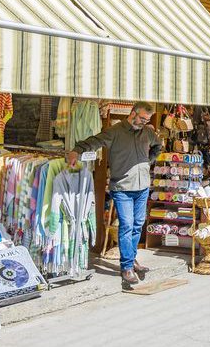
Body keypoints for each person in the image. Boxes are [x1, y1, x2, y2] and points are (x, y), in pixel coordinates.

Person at [67, 102, 161, 287]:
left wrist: (148, 161)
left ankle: (132, 259)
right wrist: (76, 151)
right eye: (142, 118)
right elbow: (94, 141)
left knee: (137, 225)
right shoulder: (115, 131)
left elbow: (158, 146)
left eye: (147, 119)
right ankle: (126, 267)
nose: (144, 122)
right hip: (122, 187)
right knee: (126, 225)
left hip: (142, 186)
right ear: (133, 113)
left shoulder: (148, 132)